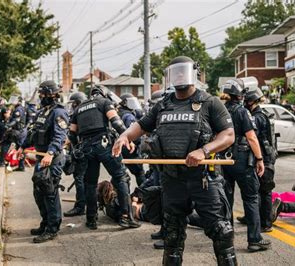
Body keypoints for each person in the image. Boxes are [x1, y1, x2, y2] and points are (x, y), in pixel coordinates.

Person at [113, 56, 237, 265]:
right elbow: (141, 126)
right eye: (175, 72)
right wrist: (125, 136)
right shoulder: (163, 105)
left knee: (221, 232)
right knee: (172, 235)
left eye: (183, 71)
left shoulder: (209, 102)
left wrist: (204, 151)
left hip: (203, 179)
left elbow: (228, 135)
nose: (179, 75)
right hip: (172, 180)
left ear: (192, 73)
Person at [69, 85, 140, 230]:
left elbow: (71, 133)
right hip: (104, 144)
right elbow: (116, 121)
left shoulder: (79, 108)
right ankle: (126, 217)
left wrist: (78, 148)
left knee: (90, 184)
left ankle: (91, 219)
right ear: (104, 94)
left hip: (86, 148)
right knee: (121, 177)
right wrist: (128, 140)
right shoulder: (104, 102)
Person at [218, 79, 270, 253]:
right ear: (240, 94)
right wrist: (260, 159)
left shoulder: (219, 110)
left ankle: (227, 238)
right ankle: (254, 240)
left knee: (226, 199)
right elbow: (252, 138)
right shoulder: (242, 112)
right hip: (242, 160)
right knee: (251, 198)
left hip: (223, 160)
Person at [19, 80, 69, 243]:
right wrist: (23, 147)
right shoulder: (43, 112)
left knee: (49, 193)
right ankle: (45, 222)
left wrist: (50, 153)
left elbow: (60, 136)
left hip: (52, 158)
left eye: (43, 94)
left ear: (52, 95)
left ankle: (52, 228)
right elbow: (35, 132)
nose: (40, 96)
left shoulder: (58, 112)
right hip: (41, 157)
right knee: (38, 192)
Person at [240, 86, 278, 233]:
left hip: (265, 157)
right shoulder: (260, 114)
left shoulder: (258, 117)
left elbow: (251, 136)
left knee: (265, 190)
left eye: (246, 100)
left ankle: (266, 222)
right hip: (264, 155)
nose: (244, 102)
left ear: (252, 101)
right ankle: (252, 217)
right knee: (254, 189)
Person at [63, 91, 88, 217]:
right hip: (86, 150)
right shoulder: (87, 113)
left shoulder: (79, 114)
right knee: (88, 179)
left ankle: (80, 207)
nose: (72, 106)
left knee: (80, 179)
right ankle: (88, 203)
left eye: (73, 104)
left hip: (81, 151)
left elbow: (73, 135)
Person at [118, 93, 146, 186]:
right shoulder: (128, 116)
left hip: (118, 147)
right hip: (130, 148)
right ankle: (144, 195)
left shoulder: (118, 113)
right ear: (126, 103)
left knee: (120, 175)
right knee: (139, 172)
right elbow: (135, 135)